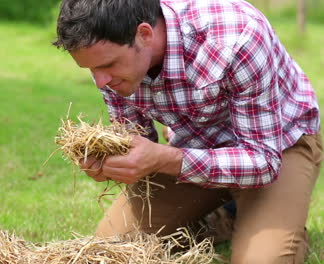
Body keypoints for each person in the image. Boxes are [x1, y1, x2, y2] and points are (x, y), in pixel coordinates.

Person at [53, 0, 322, 263]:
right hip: (196, 148)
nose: (101, 81)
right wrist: (113, 162)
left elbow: (263, 161)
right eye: (91, 69)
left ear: (144, 34)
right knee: (111, 248)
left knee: (263, 259)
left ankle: (280, 226)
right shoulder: (107, 57)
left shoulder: (237, 35)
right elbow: (135, 139)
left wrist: (162, 158)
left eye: (108, 66)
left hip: (280, 146)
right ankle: (224, 218)